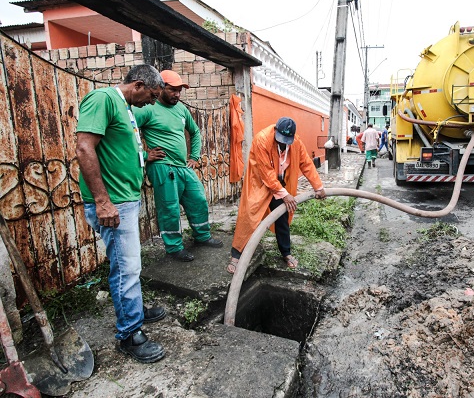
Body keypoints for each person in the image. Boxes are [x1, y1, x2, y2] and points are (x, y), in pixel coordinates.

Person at [76, 64, 166, 363]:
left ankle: (135, 311)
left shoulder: (125, 107)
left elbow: (118, 150)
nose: (152, 102)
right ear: (138, 85)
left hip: (125, 200)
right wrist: (102, 201)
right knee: (125, 269)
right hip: (112, 203)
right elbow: (85, 149)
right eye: (151, 96)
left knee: (131, 265)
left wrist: (142, 157)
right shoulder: (103, 99)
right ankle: (129, 334)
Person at [134, 70, 223, 262]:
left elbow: (195, 132)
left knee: (198, 199)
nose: (177, 94)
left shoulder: (181, 109)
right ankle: (174, 247)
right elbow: (127, 131)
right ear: (161, 88)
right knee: (170, 208)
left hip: (182, 166)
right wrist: (143, 155)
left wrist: (194, 157)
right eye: (173, 90)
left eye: (179, 90)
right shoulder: (148, 108)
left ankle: (202, 236)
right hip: (162, 166)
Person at [227, 117, 326, 274]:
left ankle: (286, 253)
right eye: (280, 140)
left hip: (280, 184)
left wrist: (318, 186)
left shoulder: (296, 143)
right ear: (275, 131)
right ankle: (236, 254)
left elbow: (306, 163)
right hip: (259, 183)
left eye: (287, 141)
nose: (283, 143)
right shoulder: (262, 140)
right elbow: (266, 173)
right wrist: (284, 194)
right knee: (249, 215)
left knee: (282, 217)